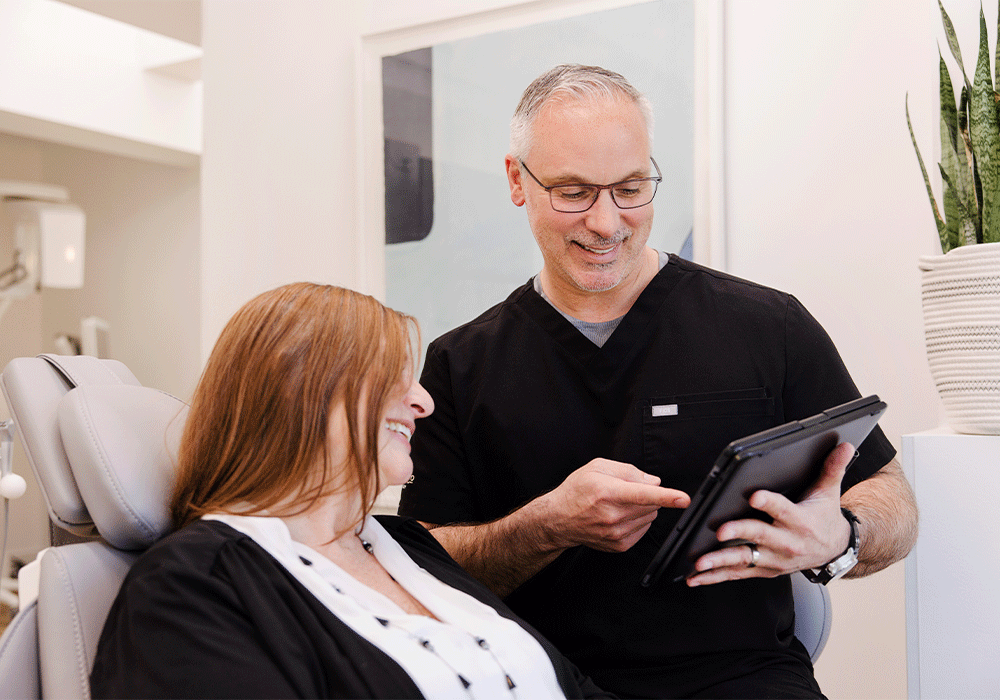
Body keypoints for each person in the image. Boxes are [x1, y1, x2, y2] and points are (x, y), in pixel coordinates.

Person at [398, 64, 918, 699]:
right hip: (545, 684)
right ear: (517, 181)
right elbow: (420, 567)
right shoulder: (459, 365)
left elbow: (891, 498)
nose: (606, 222)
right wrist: (545, 526)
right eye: (572, 192)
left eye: (631, 188)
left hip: (744, 680)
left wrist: (841, 535)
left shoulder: (768, 326)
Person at [89, 282, 612, 700]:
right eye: (393, 376)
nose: (423, 402)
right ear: (299, 388)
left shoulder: (406, 546)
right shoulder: (192, 585)